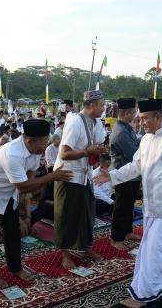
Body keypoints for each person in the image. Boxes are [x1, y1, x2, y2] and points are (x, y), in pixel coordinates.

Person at [93, 98, 162, 308]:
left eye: (144, 119)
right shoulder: (146, 139)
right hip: (152, 199)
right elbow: (135, 166)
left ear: (158, 116)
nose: (141, 123)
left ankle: (142, 294)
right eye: (139, 119)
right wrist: (111, 176)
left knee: (153, 246)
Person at [0, 118, 72, 289]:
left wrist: (37, 181)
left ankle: (15, 267)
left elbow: (29, 177)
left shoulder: (35, 149)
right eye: (43, 142)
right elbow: (24, 186)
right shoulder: (12, 154)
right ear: (29, 140)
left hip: (9, 191)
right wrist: (52, 176)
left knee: (12, 231)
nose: (45, 146)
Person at [54, 90, 108, 269]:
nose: (104, 108)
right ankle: (65, 253)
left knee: (87, 213)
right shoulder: (76, 122)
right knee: (67, 216)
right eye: (101, 105)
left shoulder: (97, 122)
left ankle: (86, 248)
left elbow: (96, 145)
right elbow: (64, 153)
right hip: (68, 174)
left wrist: (100, 150)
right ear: (91, 106)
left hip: (85, 175)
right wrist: (88, 151)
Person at [109, 97, 141, 250]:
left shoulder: (126, 127)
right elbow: (134, 154)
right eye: (134, 112)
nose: (135, 115)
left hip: (131, 175)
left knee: (129, 205)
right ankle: (116, 238)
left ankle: (127, 231)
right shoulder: (121, 132)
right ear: (128, 113)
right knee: (121, 207)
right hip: (123, 174)